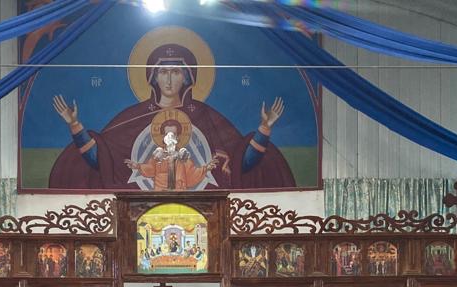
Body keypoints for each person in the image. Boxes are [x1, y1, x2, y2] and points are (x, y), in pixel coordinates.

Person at [48, 41, 294, 190]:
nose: (168, 79)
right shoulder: (132, 117)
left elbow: (242, 163)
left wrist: (265, 128)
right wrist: (75, 125)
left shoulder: (207, 117)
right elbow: (101, 161)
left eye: (175, 71)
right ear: (152, 76)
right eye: (162, 71)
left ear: (187, 77)